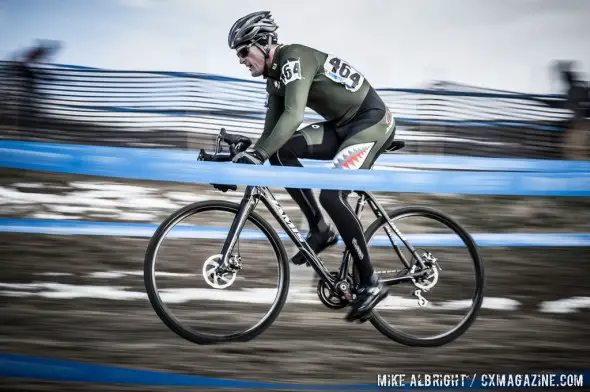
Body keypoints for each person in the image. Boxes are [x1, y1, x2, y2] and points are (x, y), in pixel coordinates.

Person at [227, 11, 396, 322]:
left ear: (264, 43)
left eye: (243, 51)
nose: (241, 61)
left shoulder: (292, 58)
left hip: (371, 123)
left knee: (333, 195)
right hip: (342, 125)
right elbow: (271, 136)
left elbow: (292, 117)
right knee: (281, 153)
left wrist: (257, 153)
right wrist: (246, 155)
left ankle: (371, 282)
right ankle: (319, 227)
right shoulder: (275, 78)